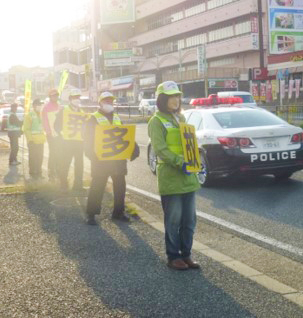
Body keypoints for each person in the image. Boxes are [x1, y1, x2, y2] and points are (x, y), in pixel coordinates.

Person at [148, 81, 201, 270]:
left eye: (178, 96)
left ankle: (186, 254)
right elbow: (160, 149)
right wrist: (181, 162)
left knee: (190, 219)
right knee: (173, 219)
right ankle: (173, 256)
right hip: (171, 176)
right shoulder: (156, 121)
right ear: (162, 99)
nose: (176, 100)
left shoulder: (181, 118)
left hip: (188, 176)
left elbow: (188, 144)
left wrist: (196, 156)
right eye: (172, 96)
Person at [83, 91, 139, 225]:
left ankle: (118, 213)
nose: (109, 103)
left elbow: (126, 135)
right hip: (100, 160)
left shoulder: (117, 118)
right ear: (100, 103)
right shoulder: (93, 118)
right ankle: (91, 214)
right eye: (106, 101)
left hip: (118, 160)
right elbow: (87, 139)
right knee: (97, 186)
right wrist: (91, 155)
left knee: (120, 186)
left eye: (110, 101)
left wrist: (134, 148)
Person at [54, 89, 85, 192]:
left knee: (79, 165)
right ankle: (63, 185)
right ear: (70, 99)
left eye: (78, 97)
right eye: (74, 97)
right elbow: (56, 126)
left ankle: (78, 185)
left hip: (79, 143)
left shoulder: (82, 112)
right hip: (67, 143)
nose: (77, 99)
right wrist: (62, 135)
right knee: (65, 164)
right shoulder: (64, 110)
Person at [23, 99, 46, 180]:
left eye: (40, 104)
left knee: (40, 157)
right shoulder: (29, 115)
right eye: (38, 104)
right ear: (34, 106)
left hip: (41, 141)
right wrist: (30, 140)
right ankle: (33, 174)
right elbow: (26, 129)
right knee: (33, 158)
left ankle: (39, 173)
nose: (40, 106)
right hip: (33, 141)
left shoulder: (41, 115)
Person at [42, 88, 61, 181]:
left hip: (59, 135)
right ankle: (51, 172)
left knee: (59, 153)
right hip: (51, 135)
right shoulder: (46, 107)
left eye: (56, 95)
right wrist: (49, 133)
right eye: (53, 95)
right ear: (50, 97)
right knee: (53, 153)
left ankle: (58, 171)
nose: (55, 97)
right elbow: (45, 122)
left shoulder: (60, 106)